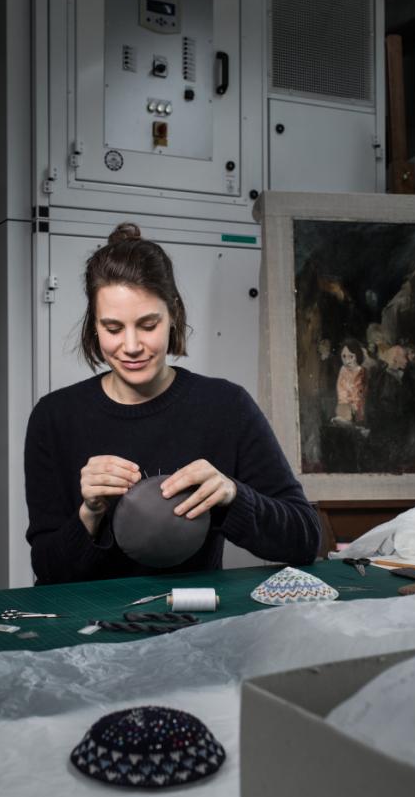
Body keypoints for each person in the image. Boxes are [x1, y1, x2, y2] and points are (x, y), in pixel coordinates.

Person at [24, 223, 321, 584]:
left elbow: (305, 539)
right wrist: (90, 513)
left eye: (148, 325)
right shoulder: (54, 417)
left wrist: (233, 495)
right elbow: (47, 569)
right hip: (85, 625)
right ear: (94, 327)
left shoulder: (226, 407)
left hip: (193, 621)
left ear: (173, 315)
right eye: (113, 328)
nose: (131, 346)